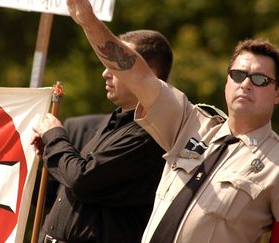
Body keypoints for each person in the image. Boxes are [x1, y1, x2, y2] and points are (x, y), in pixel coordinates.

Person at [65, 0, 279, 243]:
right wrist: (89, 22)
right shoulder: (191, 122)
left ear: (278, 93)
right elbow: (137, 75)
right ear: (227, 82)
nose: (246, 84)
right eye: (238, 75)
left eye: (260, 79)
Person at [32, 29, 174, 243]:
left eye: (116, 66)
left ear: (148, 76)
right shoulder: (113, 122)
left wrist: (55, 136)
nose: (105, 73)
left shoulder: (148, 134)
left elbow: (82, 180)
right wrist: (45, 158)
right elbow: (63, 191)